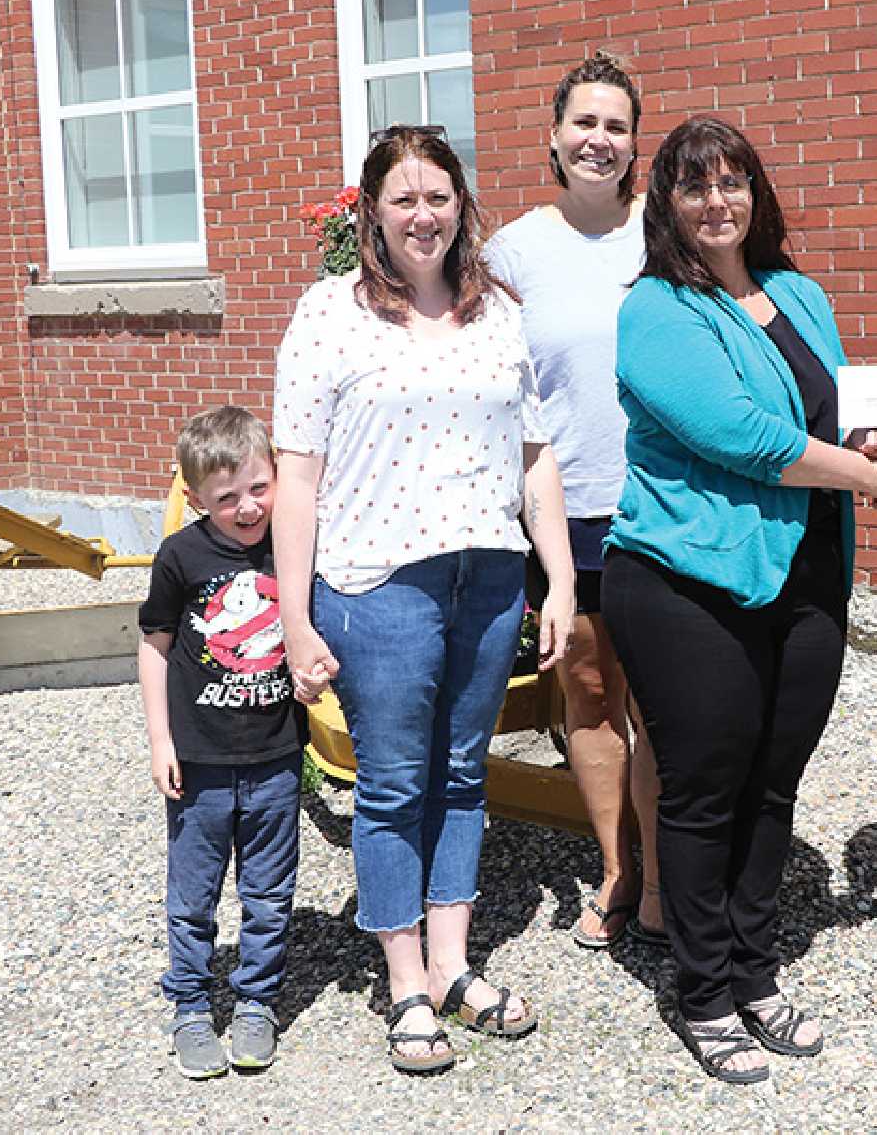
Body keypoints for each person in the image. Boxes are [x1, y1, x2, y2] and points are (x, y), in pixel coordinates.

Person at [601, 115, 877, 1085]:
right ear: (666, 203)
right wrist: (871, 483)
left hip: (808, 575)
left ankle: (754, 967)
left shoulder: (799, 293)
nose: (717, 202)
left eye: (732, 182)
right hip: (688, 580)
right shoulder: (653, 309)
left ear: (756, 194)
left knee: (772, 782)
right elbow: (742, 436)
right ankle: (702, 990)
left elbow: (834, 412)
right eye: (695, 187)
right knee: (704, 791)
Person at [272, 125, 576, 1076]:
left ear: (461, 206)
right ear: (371, 211)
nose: (422, 215)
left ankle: (452, 964)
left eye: (438, 196)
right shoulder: (329, 314)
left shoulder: (497, 314)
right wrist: (293, 617)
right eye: (402, 198)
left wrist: (557, 575)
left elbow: (534, 456)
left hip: (486, 578)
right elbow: (298, 476)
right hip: (378, 584)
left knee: (461, 775)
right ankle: (402, 978)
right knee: (396, 782)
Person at [485, 53, 663, 949]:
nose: (599, 140)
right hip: (570, 512)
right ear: (554, 137)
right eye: (584, 124)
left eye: (616, 126)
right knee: (590, 697)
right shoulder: (513, 251)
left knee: (665, 706)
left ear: (636, 144)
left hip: (669, 508)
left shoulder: (665, 234)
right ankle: (618, 869)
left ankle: (668, 877)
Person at [139, 406, 304, 1079]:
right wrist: (160, 740)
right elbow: (154, 648)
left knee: (268, 892)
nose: (247, 507)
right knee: (193, 894)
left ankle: (257, 1000)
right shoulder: (181, 556)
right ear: (198, 497)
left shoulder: (293, 543)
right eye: (226, 496)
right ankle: (189, 1004)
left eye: (259, 487)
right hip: (200, 761)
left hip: (275, 756)